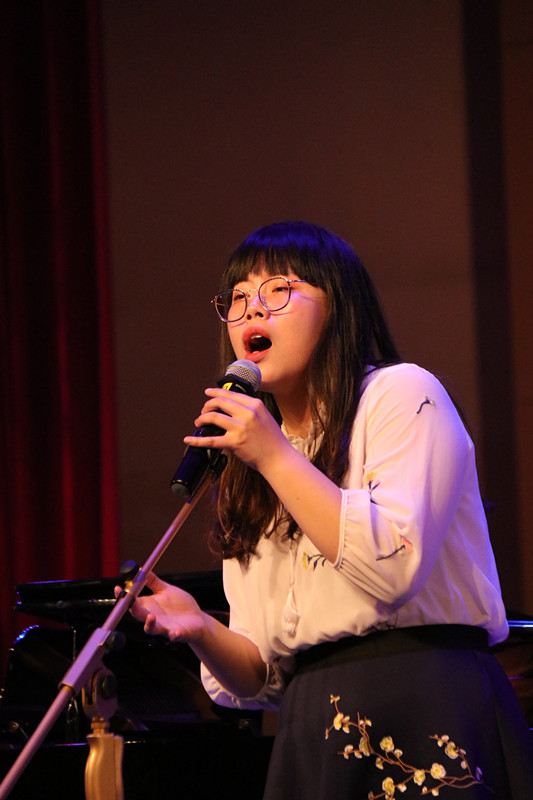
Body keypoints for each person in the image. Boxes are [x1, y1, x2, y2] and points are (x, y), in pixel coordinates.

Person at [122, 222, 533, 798]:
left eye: (278, 290)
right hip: (312, 721)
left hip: (423, 697)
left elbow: (393, 568)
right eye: (237, 297)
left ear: (338, 307)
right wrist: (201, 629)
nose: (251, 309)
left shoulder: (400, 395)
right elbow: (262, 675)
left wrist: (273, 455)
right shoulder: (255, 465)